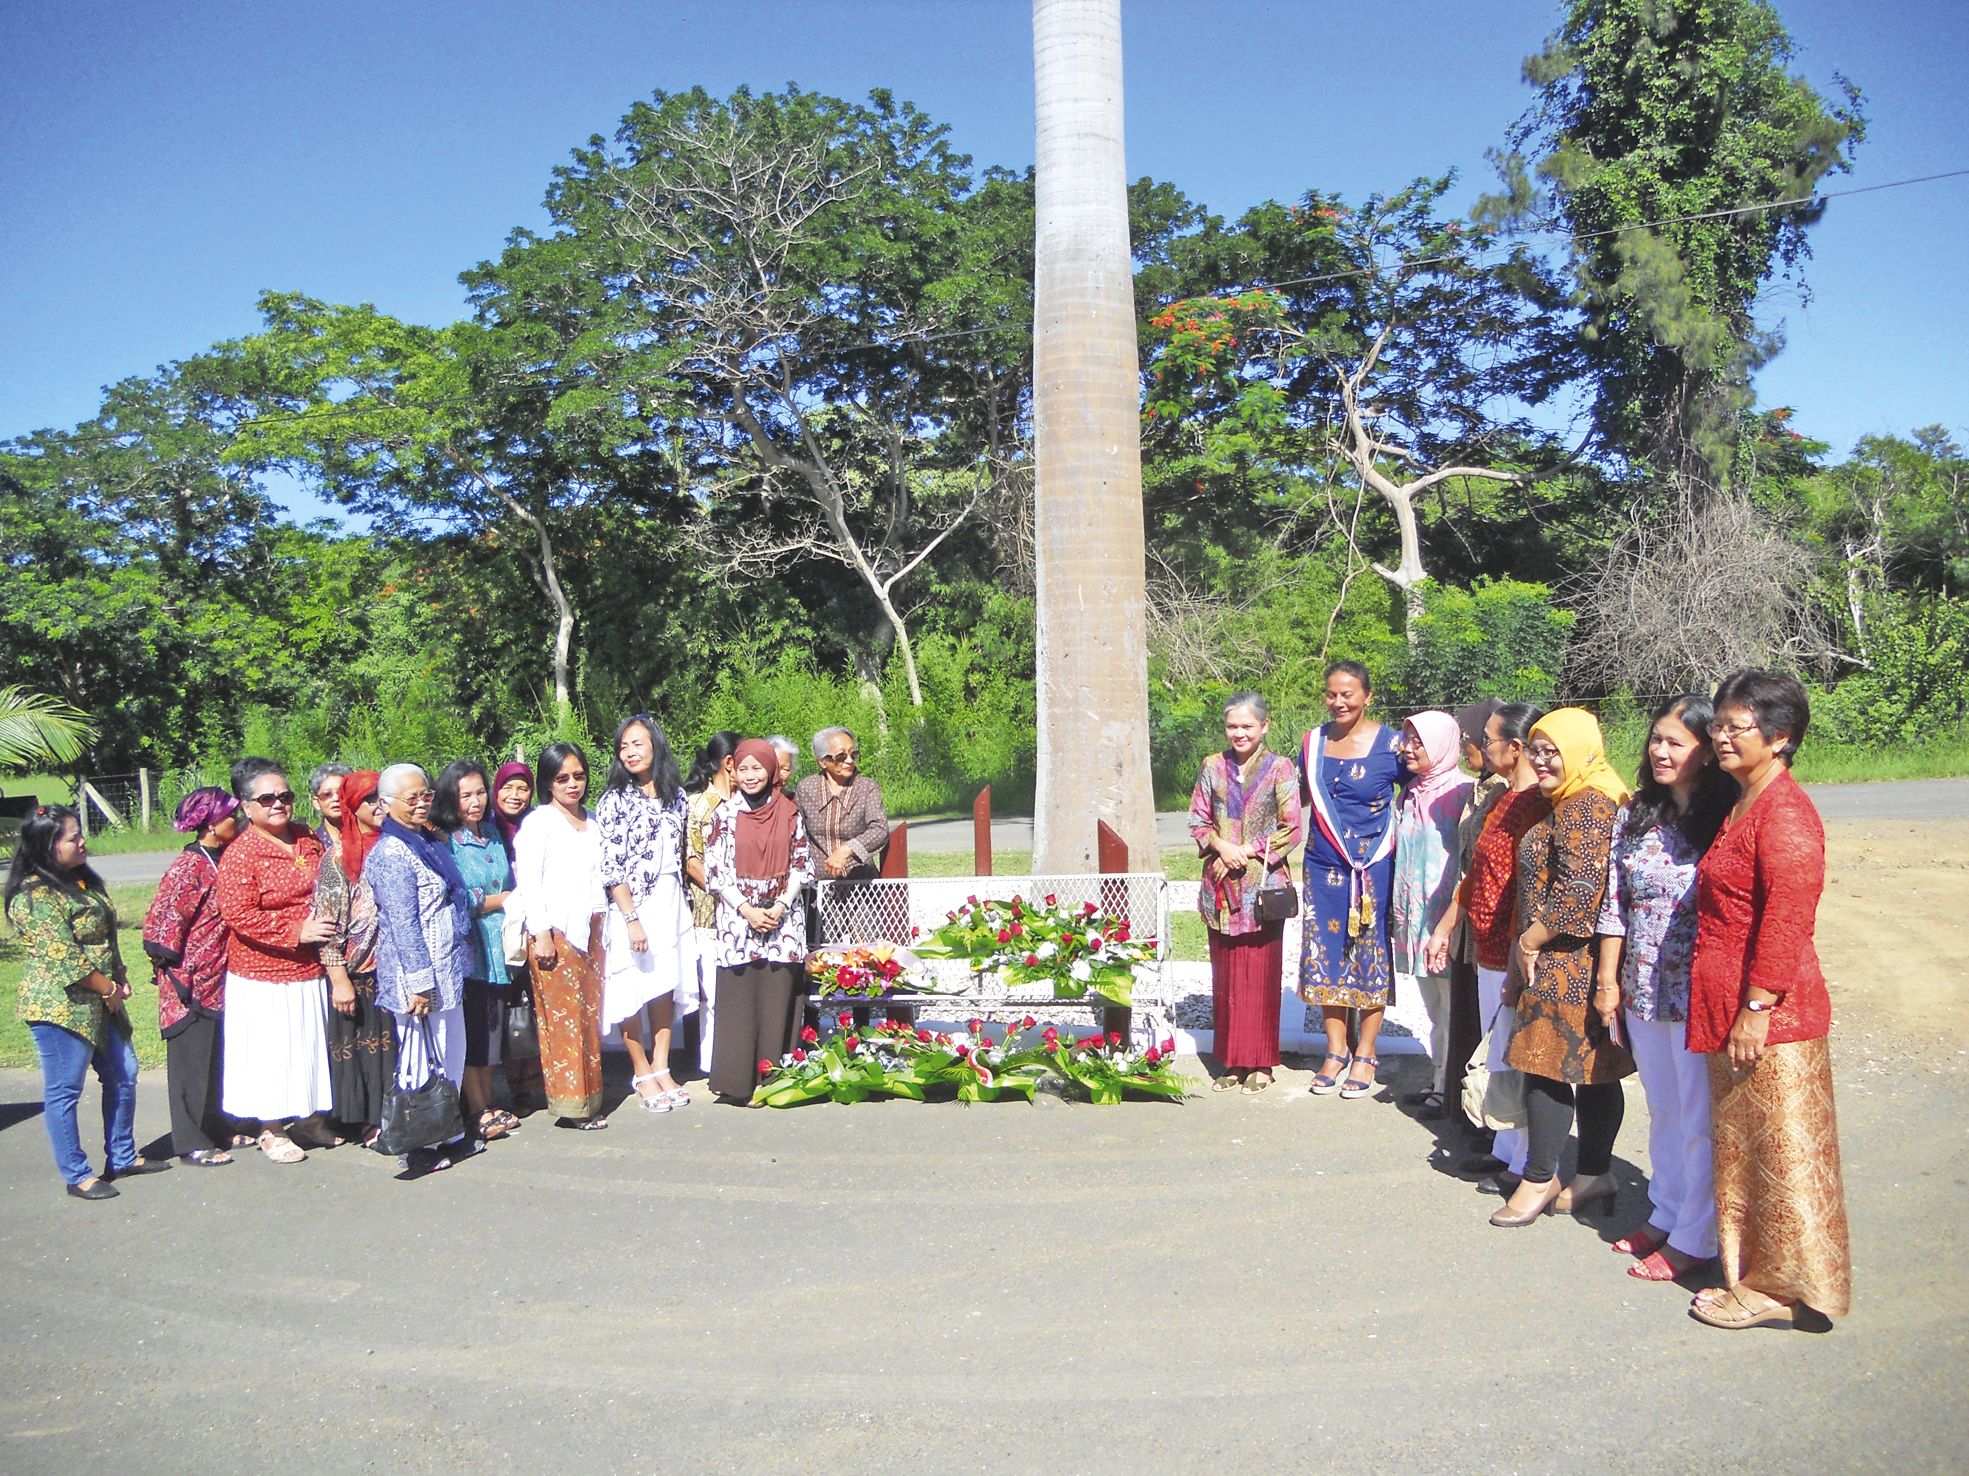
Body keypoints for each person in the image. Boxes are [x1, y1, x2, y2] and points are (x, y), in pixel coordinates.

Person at [1686, 669, 1850, 1330]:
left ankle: (1782, 1289)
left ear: (1779, 737)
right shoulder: (1744, 801)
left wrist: (1756, 1009)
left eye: (1737, 727)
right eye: (1718, 725)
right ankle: (1752, 1273)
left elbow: (1786, 920)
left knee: (1782, 1158)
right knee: (1745, 1152)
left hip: (1773, 1016)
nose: (1721, 737)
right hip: (1730, 1005)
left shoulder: (1785, 813)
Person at [1595, 694, 1734, 1280]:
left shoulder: (1725, 818)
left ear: (1706, 750)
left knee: (1697, 1118)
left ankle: (1697, 1237)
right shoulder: (1636, 815)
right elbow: (1614, 904)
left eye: (1676, 742)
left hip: (1697, 992)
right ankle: (1668, 1210)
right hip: (1642, 987)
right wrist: (1608, 981)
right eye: (1656, 738)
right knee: (1663, 1110)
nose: (1661, 750)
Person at [1490, 708, 1634, 1228]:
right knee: (1592, 1072)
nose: (1542, 760)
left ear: (1580, 750)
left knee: (1547, 1069)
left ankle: (1540, 1178)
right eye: (1536, 750)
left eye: (1553, 751)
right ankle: (1594, 1173)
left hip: (1569, 961)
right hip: (1563, 959)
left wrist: (1529, 940)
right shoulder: (1572, 798)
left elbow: (1580, 894)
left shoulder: (1587, 805)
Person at [7, 805, 166, 1199]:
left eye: (80, 834)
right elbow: (64, 957)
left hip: (103, 999)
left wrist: (120, 976)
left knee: (124, 1073)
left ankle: (123, 1156)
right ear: (47, 845)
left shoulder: (81, 880)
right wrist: (108, 988)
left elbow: (105, 937)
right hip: (61, 1008)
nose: (82, 842)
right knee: (65, 1091)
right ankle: (77, 1174)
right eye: (72, 837)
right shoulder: (33, 896)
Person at [1432, 702, 1546, 1182]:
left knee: (1512, 1051)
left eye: (1489, 740)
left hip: (1513, 947)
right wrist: (1446, 927)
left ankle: (1525, 1159)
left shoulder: (1537, 803)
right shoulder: (1502, 797)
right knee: (1496, 1050)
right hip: (1487, 944)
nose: (1482, 747)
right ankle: (1504, 1147)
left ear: (1515, 748)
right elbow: (1477, 874)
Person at [216, 757, 336, 1164]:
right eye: (266, 799)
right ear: (246, 807)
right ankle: (271, 1128)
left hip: (309, 967)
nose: (278, 804)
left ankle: (308, 1119)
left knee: (306, 1046)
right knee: (271, 1052)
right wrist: (296, 930)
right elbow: (238, 914)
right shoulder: (241, 854)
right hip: (263, 974)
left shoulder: (306, 838)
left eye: (284, 796)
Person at [1297, 661, 1404, 1099]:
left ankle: (1366, 1052)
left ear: (1367, 697)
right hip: (1323, 866)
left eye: (1348, 694)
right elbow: (1297, 798)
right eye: (1331, 694)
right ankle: (1335, 1050)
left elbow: (1418, 794)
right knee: (1326, 949)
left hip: (1373, 867)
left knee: (1369, 951)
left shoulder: (1393, 744)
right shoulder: (1313, 742)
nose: (1338, 702)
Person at [1188, 692, 1302, 1094]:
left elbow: (1291, 827)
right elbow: (1198, 820)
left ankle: (1262, 1063)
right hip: (1220, 889)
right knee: (1227, 979)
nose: (1239, 733)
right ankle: (1233, 1061)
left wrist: (1245, 852)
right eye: (1232, 726)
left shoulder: (1281, 769)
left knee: (1260, 975)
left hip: (1262, 888)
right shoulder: (1212, 767)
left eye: (1247, 726)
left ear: (1264, 726)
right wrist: (1221, 847)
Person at [366, 763, 478, 1165]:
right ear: (385, 803)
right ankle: (418, 1146)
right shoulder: (391, 853)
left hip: (446, 969)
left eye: (425, 795)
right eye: (411, 798)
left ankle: (447, 1131)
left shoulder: (425, 841)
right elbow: (404, 924)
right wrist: (418, 983)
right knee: (420, 1059)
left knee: (450, 1051)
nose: (421, 804)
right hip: (419, 978)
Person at [596, 715, 699, 1112]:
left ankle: (662, 1066)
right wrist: (630, 917)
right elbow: (611, 866)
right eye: (623, 746)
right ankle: (640, 1071)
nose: (630, 752)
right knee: (631, 986)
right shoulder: (615, 800)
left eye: (637, 744)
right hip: (633, 903)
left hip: (671, 900)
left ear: (655, 745)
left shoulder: (677, 797)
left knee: (664, 983)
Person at [704, 738, 813, 1103]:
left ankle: (774, 1080)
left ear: (771, 770)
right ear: (733, 771)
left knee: (775, 997)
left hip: (783, 919)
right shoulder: (724, 815)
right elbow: (716, 871)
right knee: (741, 998)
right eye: (743, 769)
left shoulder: (789, 812)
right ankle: (737, 1082)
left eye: (758, 768)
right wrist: (748, 911)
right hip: (739, 920)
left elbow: (801, 865)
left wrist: (780, 906)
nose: (750, 776)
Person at [142, 786, 243, 1165]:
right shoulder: (189, 867)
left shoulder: (223, 858)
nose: (237, 821)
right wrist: (176, 975)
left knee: (217, 1058)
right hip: (189, 983)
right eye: (231, 816)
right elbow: (163, 926)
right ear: (211, 824)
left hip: (219, 978)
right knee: (191, 1062)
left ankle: (218, 1126)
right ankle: (191, 1141)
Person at [514, 742, 609, 1128]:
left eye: (579, 776)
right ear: (548, 783)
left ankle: (591, 1098)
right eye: (562, 778)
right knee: (563, 1021)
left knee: (588, 1018)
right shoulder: (539, 823)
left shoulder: (594, 822)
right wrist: (541, 933)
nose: (573, 784)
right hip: (556, 931)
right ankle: (572, 1107)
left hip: (593, 929)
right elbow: (528, 881)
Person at [1388, 710, 1472, 1115]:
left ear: (1441, 744)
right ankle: (1439, 1077)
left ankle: (1450, 1088)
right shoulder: (1409, 793)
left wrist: (1450, 919)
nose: (1408, 749)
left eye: (1418, 742)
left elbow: (1467, 862)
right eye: (1407, 740)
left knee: (1453, 1007)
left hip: (1445, 919)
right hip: (1415, 919)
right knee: (1435, 1009)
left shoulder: (1463, 792)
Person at [434, 759, 523, 1140]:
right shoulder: (445, 841)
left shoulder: (490, 832)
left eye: (480, 792)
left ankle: (489, 1100)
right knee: (473, 1029)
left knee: (492, 1029)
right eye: (465, 795)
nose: (475, 801)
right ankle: (476, 1108)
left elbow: (507, 880)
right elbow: (460, 897)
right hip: (471, 947)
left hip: (500, 944)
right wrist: (501, 900)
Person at [312, 769, 398, 1143]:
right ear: (352, 806)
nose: (378, 805)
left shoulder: (396, 846)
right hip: (359, 972)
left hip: (395, 970)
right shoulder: (337, 859)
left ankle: (402, 1116)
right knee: (368, 1051)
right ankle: (369, 1122)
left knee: (397, 1049)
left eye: (383, 797)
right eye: (369, 799)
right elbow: (327, 924)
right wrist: (339, 980)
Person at [1431, 698, 1504, 1132]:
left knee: (1484, 1021)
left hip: (1485, 923)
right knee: (1466, 1013)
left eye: (1472, 739)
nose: (1466, 747)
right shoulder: (1482, 787)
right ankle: (1465, 1111)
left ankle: (1487, 1124)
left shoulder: (1505, 792)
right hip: (1466, 915)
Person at [684, 730, 741, 1075]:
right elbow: (692, 861)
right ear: (729, 763)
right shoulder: (697, 806)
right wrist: (728, 894)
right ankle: (711, 1063)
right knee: (713, 993)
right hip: (709, 911)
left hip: (747, 912)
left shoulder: (748, 803)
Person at [310, 762, 354, 858]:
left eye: (342, 793)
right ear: (316, 802)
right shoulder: (312, 843)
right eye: (327, 794)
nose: (336, 798)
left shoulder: (366, 835)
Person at [491, 760, 533, 861]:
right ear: (497, 790)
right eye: (507, 788)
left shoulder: (538, 825)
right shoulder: (483, 827)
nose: (514, 796)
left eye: (522, 789)